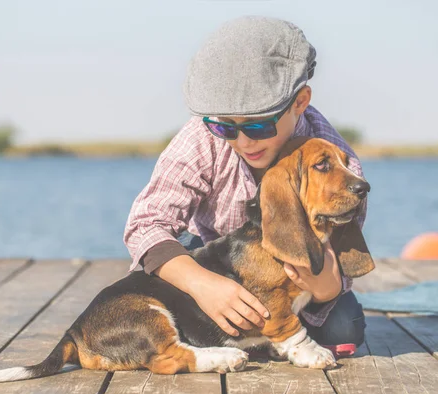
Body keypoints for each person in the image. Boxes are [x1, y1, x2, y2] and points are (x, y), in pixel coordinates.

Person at [124, 16, 366, 353]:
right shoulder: (200, 137)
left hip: (299, 268)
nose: (243, 141)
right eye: (227, 127)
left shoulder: (338, 164)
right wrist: (201, 284)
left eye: (257, 126)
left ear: (300, 102)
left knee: (343, 328)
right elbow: (146, 225)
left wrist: (327, 287)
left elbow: (341, 249)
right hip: (214, 258)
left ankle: (270, 336)